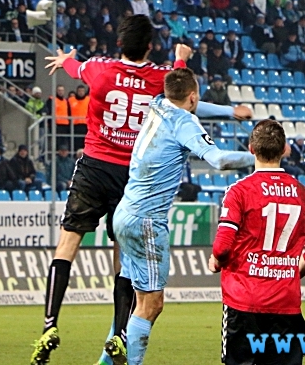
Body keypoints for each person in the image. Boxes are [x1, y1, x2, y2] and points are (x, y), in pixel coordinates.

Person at [31, 15, 250, 365]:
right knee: (124, 264)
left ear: (120, 41)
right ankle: (118, 333)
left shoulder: (99, 69)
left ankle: (50, 323)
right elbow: (182, 98)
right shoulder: (159, 80)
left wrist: (66, 60)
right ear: (150, 45)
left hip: (93, 165)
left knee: (67, 244)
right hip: (131, 179)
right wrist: (214, 96)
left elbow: (75, 67)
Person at [109, 68, 256, 365]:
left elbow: (188, 100)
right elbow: (220, 159)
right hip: (147, 221)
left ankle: (108, 357)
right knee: (152, 304)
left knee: (136, 300)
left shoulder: (157, 102)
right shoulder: (185, 121)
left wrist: (229, 112)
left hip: (124, 212)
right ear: (192, 96)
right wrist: (260, 158)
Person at [210, 119, 305, 365]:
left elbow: (222, 247)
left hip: (244, 303)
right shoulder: (304, 195)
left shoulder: (238, 192)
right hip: (286, 305)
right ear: (285, 149)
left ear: (251, 149)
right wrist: (291, 273)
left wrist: (217, 261)